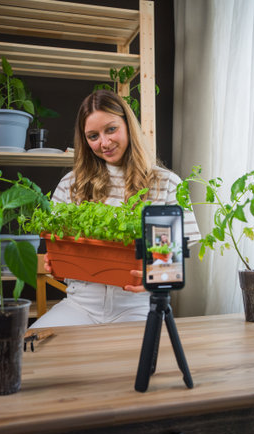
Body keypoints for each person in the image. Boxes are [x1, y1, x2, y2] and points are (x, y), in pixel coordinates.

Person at [31, 90, 200, 328]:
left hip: (138, 306)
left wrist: (157, 280)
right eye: (93, 136)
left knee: (141, 362)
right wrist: (54, 263)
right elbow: (56, 247)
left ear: (128, 126)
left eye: (111, 129)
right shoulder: (72, 183)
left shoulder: (166, 183)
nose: (104, 143)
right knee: (28, 352)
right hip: (79, 305)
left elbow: (172, 262)